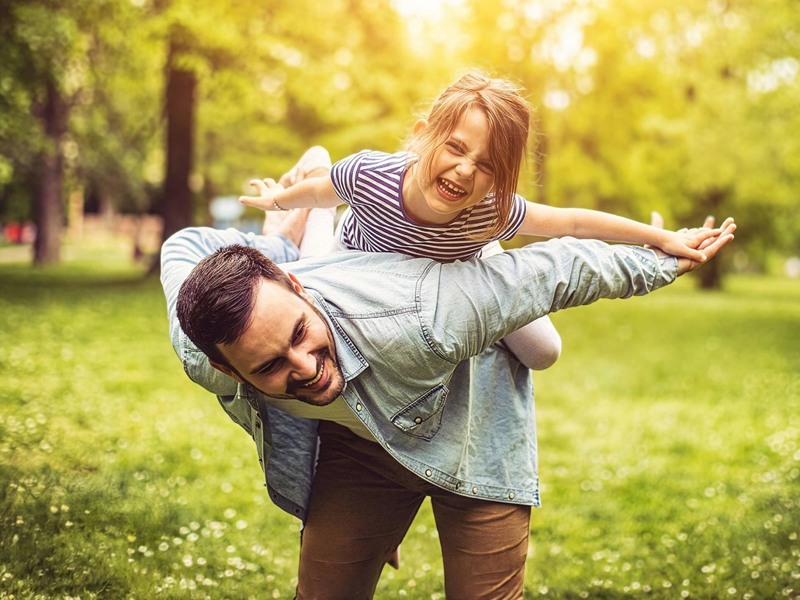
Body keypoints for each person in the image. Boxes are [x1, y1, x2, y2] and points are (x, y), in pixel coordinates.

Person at [161, 190, 735, 597]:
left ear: (298, 288)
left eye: (299, 334)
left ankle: (468, 245)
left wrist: (665, 257)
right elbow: (181, 247)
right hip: (364, 450)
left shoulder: (422, 314)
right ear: (225, 368)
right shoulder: (201, 354)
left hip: (475, 426)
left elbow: (558, 269)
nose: (306, 368)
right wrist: (273, 241)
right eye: (270, 366)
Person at [238, 70, 723, 370]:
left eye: (487, 165)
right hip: (359, 257)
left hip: (455, 258)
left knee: (544, 354)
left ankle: (482, 246)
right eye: (455, 148)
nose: (466, 169)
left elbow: (573, 223)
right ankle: (312, 188)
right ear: (423, 135)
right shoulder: (368, 174)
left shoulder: (494, 207)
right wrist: (280, 201)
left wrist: (660, 237)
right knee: (311, 270)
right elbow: (317, 192)